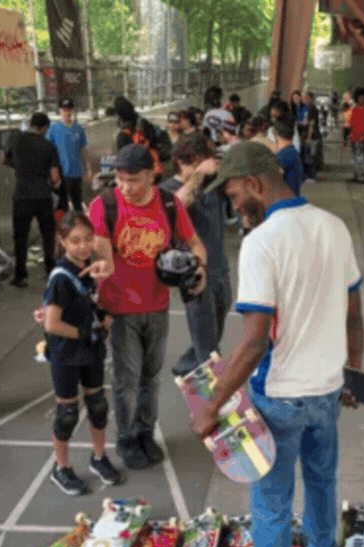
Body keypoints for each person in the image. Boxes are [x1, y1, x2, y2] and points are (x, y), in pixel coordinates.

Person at [192, 141, 364, 547]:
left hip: (280, 394)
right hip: (327, 388)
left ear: (258, 182)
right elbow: (354, 314)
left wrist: (211, 405)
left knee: (268, 509)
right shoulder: (333, 226)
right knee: (321, 477)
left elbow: (253, 340)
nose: (231, 199)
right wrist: (352, 372)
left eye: (234, 189)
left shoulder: (262, 242)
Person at [88, 144, 207, 470]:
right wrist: (101, 263)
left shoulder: (168, 204)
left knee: (151, 377)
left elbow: (194, 242)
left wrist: (200, 268)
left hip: (157, 305)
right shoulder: (105, 205)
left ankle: (145, 433)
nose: (126, 186)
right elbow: (98, 250)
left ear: (152, 175)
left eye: (134, 180)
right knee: (127, 380)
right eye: (120, 178)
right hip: (121, 309)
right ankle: (127, 440)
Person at [42, 211, 125, 495]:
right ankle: (61, 468)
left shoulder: (89, 267)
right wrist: (85, 333)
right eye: (75, 240)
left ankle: (99, 458)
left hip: (90, 350)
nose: (83, 245)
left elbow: (90, 305)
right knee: (67, 414)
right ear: (62, 242)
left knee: (98, 405)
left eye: (88, 239)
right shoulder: (61, 278)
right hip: (67, 353)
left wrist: (105, 317)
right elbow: (52, 323)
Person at [160, 133, 233, 377]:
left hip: (221, 270)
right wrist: (200, 174)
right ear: (182, 162)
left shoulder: (213, 185)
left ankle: (185, 368)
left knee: (213, 333)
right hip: (197, 276)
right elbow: (177, 205)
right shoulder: (168, 190)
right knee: (208, 349)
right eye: (199, 162)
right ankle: (215, 405)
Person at [4, 112, 62, 288]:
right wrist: (56, 184)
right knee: (47, 235)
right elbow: (54, 177)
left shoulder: (15, 139)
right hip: (43, 195)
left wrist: (18, 168)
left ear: (31, 124)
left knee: (20, 237)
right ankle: (51, 270)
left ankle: (20, 275)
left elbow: (3, 160)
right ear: (45, 127)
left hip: (22, 195)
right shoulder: (49, 145)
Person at [47, 98, 90, 213]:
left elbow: (83, 150)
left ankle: (79, 228)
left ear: (72, 110)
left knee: (77, 204)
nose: (66, 113)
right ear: (60, 111)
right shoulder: (53, 129)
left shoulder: (79, 129)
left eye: (69, 110)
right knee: (62, 205)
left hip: (76, 173)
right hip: (61, 173)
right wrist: (51, 171)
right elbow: (48, 151)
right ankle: (63, 229)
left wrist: (87, 169)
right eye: (64, 110)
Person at [113, 97, 170, 181]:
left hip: (137, 174)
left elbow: (124, 158)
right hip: (154, 167)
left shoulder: (122, 135)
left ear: (119, 115)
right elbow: (154, 142)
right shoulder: (144, 123)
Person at [273, 117, 305, 196]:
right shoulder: (292, 152)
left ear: (277, 134)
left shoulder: (284, 155)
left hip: (285, 201)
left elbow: (271, 178)